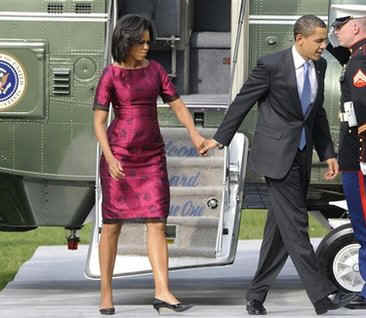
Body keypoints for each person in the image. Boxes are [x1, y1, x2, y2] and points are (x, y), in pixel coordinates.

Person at [200, 15, 356, 315]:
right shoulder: (271, 65)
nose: (324, 46)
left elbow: (316, 113)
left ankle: (255, 296)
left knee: (279, 231)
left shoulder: (320, 66)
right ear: (300, 39)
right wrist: (221, 139)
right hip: (276, 158)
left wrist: (327, 153)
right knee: (297, 226)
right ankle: (323, 296)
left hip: (300, 155)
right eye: (319, 41)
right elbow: (242, 102)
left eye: (325, 40)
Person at [93, 14, 204, 315]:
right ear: (125, 42)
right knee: (112, 225)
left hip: (152, 156)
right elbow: (99, 122)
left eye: (148, 41)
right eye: (140, 42)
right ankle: (106, 292)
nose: (146, 46)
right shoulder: (111, 75)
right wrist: (110, 155)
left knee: (157, 221)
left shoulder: (155, 70)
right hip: (120, 156)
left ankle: (163, 291)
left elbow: (177, 105)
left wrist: (194, 134)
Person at [327, 15, 366, 309]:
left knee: (363, 225)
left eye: (338, 29)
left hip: (359, 157)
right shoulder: (355, 54)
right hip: (354, 156)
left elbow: (363, 107)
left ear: (355, 27)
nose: (334, 34)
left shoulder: (361, 59)